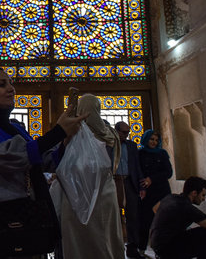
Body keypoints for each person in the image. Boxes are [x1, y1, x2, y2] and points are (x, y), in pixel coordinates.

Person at [0, 66, 85, 259]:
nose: (11, 89)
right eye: (1, 84)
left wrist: (65, 141)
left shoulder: (13, 127)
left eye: (11, 83)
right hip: (3, 223)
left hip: (29, 217)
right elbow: (11, 157)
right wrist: (57, 132)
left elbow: (42, 161)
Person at [58, 94, 125, 259]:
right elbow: (116, 168)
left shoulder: (74, 131)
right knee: (105, 239)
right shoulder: (111, 134)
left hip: (76, 195)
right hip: (106, 194)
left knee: (80, 241)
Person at [150, 176, 206, 258]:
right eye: (203, 195)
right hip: (166, 249)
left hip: (156, 245)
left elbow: (155, 208)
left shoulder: (171, 197)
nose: (204, 199)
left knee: (188, 233)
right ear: (194, 193)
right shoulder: (187, 208)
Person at [112, 121, 145, 258]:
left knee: (132, 216)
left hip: (129, 183)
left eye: (128, 132)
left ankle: (132, 247)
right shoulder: (110, 144)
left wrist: (141, 185)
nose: (126, 135)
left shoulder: (131, 146)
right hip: (114, 182)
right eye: (124, 132)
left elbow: (136, 166)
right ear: (116, 131)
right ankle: (115, 245)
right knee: (114, 215)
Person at [138, 129, 172, 256]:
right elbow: (137, 171)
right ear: (146, 139)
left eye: (156, 140)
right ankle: (141, 249)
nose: (154, 142)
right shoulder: (140, 154)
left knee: (163, 221)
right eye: (151, 139)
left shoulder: (162, 154)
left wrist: (152, 179)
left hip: (162, 192)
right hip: (146, 193)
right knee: (145, 221)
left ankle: (162, 250)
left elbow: (168, 173)